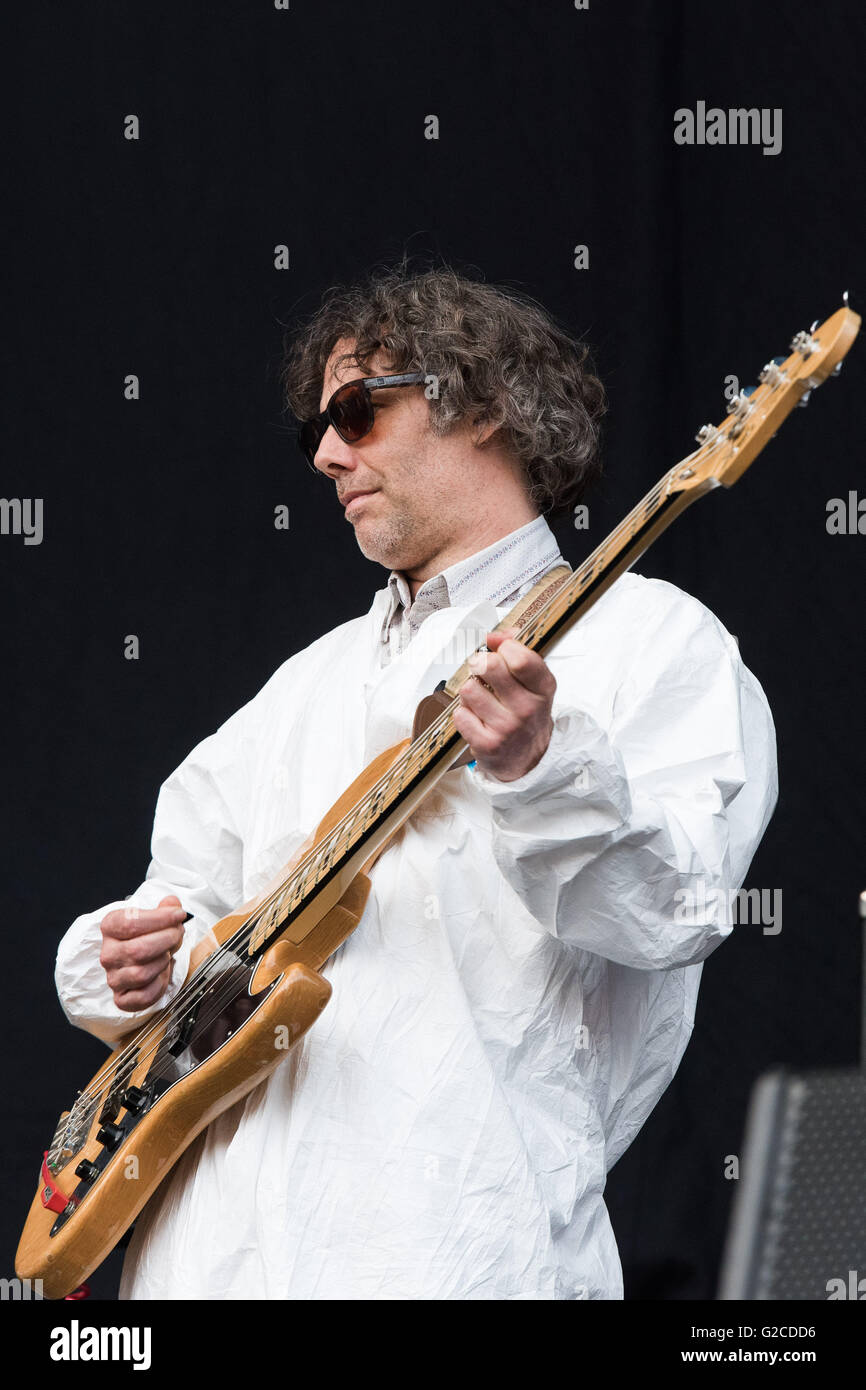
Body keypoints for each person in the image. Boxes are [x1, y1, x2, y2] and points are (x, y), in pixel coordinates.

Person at [54, 263, 778, 1300]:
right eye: (316, 427)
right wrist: (123, 959)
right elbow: (179, 905)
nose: (325, 453)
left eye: (357, 411)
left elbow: (676, 910)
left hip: (451, 1253)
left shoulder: (652, 642)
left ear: (480, 405)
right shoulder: (301, 683)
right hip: (201, 1263)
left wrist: (538, 768)